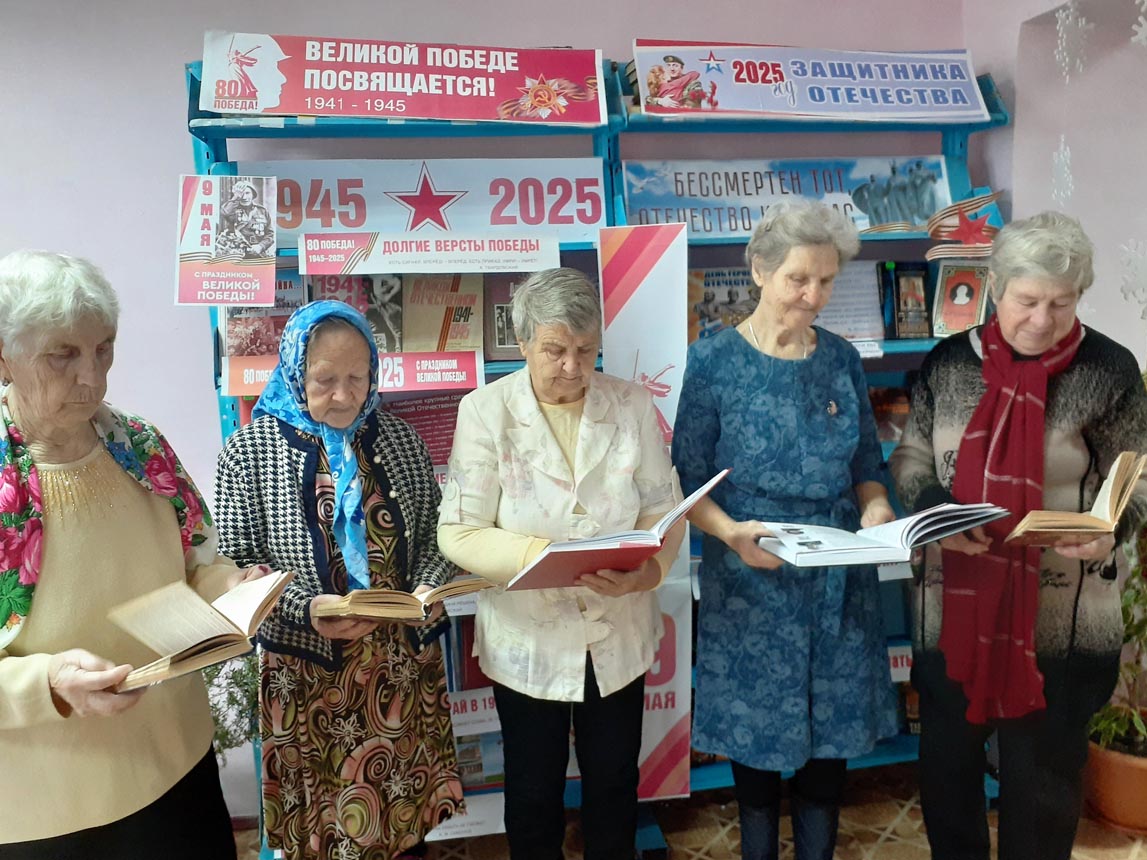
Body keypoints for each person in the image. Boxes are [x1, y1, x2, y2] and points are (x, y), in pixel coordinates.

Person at [889, 211, 1147, 860]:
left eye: (1061, 303)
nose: (1041, 319)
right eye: (1027, 300)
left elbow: (1137, 477)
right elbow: (912, 459)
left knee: (1044, 787)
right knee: (947, 774)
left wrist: (1109, 530)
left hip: (1062, 620)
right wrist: (935, 513)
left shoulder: (1108, 369)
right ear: (995, 288)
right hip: (952, 613)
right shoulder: (949, 363)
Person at [0, 250, 259, 858]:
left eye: (104, 348)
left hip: (178, 765)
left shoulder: (139, 445)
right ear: (3, 357)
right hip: (50, 810)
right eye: (62, 354)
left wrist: (231, 590)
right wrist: (48, 685)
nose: (93, 378)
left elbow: (199, 564)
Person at [671, 200, 900, 860]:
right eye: (799, 278)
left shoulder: (841, 359)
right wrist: (729, 533)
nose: (813, 295)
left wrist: (875, 510)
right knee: (756, 746)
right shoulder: (712, 362)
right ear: (759, 270)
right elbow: (686, 480)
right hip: (750, 573)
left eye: (826, 281)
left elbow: (866, 465)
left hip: (836, 577)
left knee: (829, 743)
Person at [437, 268, 685, 860]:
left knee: (614, 782)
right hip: (530, 635)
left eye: (586, 350)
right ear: (522, 342)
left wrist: (649, 572)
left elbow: (663, 506)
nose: (573, 367)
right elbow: (459, 530)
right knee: (532, 789)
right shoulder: (486, 411)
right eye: (555, 350)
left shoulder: (630, 403)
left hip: (617, 623)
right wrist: (541, 558)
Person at [214, 301, 464, 860]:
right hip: (307, 675)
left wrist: (427, 589)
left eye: (358, 377)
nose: (344, 395)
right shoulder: (249, 454)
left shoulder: (399, 440)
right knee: (325, 833)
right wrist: (306, 609)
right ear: (295, 372)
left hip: (398, 668)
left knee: (402, 820)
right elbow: (236, 567)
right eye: (325, 380)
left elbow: (435, 537)